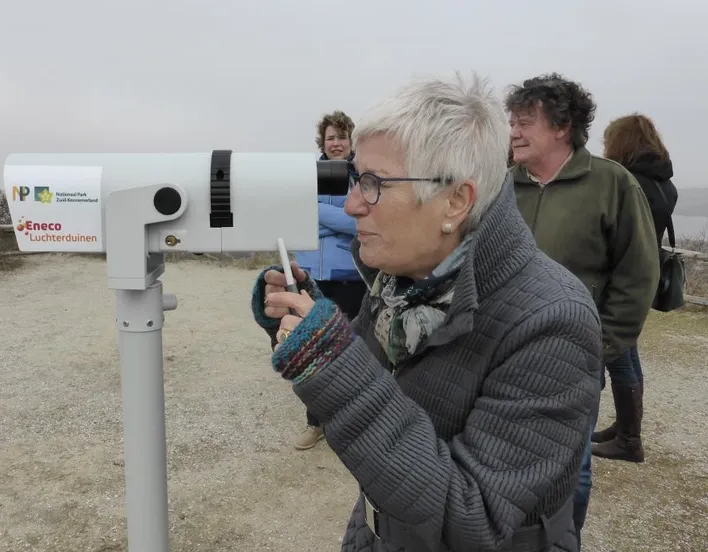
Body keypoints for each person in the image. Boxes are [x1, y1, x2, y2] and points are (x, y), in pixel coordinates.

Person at [251, 73, 602, 551]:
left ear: (455, 201)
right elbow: (368, 380)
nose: (353, 204)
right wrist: (309, 319)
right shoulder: (408, 279)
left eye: (373, 183)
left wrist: (329, 359)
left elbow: (472, 519)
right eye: (355, 178)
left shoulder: (553, 323)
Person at [505, 73, 660, 548]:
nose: (512, 131)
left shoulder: (612, 183)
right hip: (502, 355)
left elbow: (637, 274)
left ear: (562, 126)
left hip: (574, 357)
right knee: (506, 460)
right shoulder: (500, 186)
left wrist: (600, 346)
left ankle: (563, 542)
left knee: (572, 466)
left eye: (525, 122)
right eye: (511, 121)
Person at [592, 113, 679, 462]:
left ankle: (629, 439)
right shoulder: (664, 183)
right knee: (629, 351)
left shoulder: (629, 181)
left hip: (619, 277)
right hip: (643, 275)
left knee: (618, 355)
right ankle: (626, 427)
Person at [291, 110, 367, 451]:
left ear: (352, 140)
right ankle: (316, 421)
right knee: (313, 349)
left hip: (352, 276)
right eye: (330, 138)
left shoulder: (362, 173)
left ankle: (354, 419)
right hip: (314, 275)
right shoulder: (308, 174)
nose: (336, 143)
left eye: (342, 137)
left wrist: (318, 212)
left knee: (351, 349)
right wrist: (336, 218)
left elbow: (359, 222)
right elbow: (295, 211)